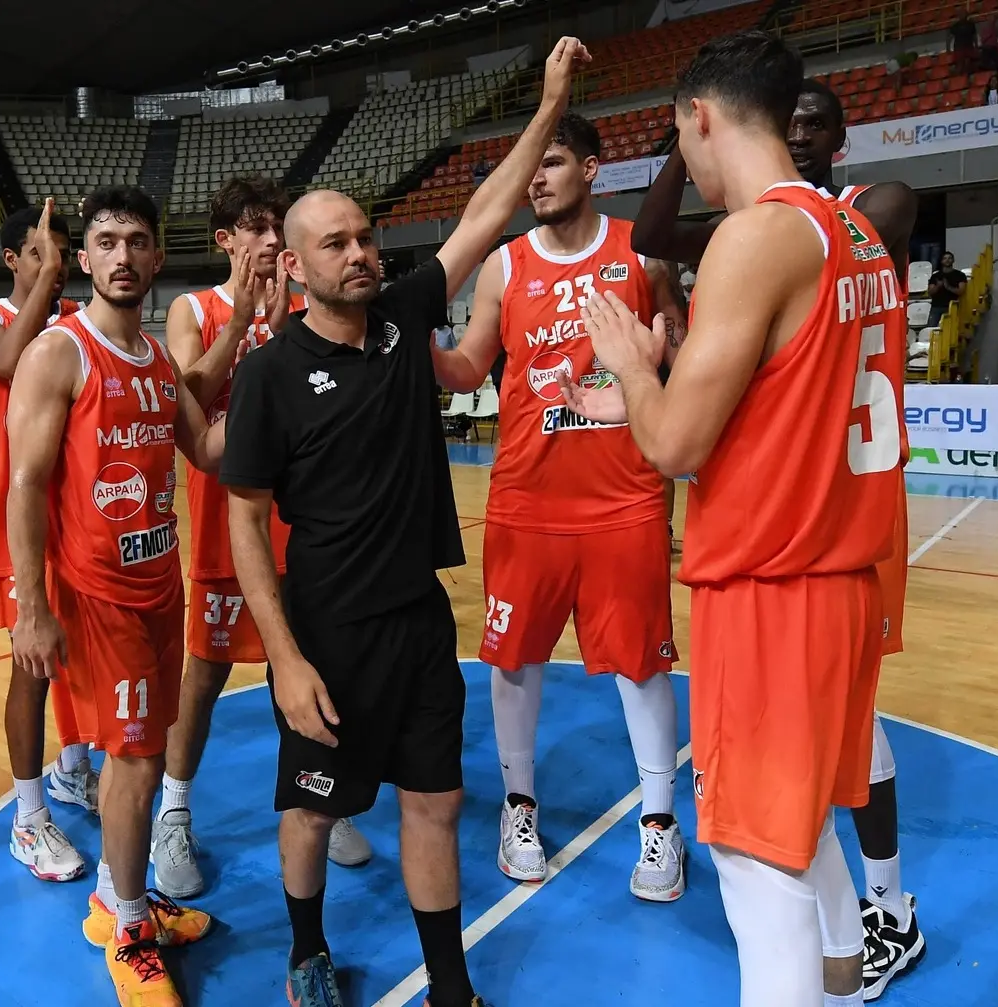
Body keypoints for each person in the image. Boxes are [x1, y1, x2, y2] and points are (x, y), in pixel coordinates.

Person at [220, 36, 590, 1007]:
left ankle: (450, 987)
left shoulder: (401, 317)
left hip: (419, 622)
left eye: (364, 238)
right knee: (312, 812)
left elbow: (487, 212)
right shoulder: (268, 376)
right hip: (325, 634)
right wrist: (283, 658)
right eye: (335, 244)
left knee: (435, 801)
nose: (359, 254)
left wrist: (548, 106)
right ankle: (307, 952)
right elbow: (245, 521)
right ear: (294, 266)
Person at [561, 31, 907, 1007]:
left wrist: (633, 368)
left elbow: (673, 444)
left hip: (771, 589)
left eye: (682, 139)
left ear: (700, 119)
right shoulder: (855, 233)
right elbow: (786, 401)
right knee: (804, 828)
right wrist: (654, 392)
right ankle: (843, 982)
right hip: (841, 579)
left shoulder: (754, 236)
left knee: (756, 867)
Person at [437, 109, 689, 902]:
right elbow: (470, 366)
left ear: (590, 167)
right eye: (529, 168)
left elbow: (680, 349)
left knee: (641, 664)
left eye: (550, 162)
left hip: (626, 498)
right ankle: (518, 806)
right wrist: (418, 347)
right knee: (514, 659)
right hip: (526, 501)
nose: (536, 179)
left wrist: (664, 361)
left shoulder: (640, 252)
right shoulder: (504, 266)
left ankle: (660, 821)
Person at [7, 183, 224, 1005]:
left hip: (160, 584)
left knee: (147, 749)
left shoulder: (158, 360)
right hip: (97, 595)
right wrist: (32, 607)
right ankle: (130, 927)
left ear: (157, 256)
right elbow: (24, 484)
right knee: (133, 760)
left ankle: (116, 894)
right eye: (106, 241)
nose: (122, 255)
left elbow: (207, 449)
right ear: (86, 258)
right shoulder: (59, 352)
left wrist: (288, 382)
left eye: (136, 241)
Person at [155, 175, 370, 898]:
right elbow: (187, 402)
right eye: (256, 226)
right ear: (226, 239)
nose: (272, 238)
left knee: (306, 666)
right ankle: (173, 812)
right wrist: (243, 324)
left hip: (300, 518)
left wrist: (280, 331)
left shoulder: (309, 303)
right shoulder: (193, 307)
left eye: (278, 225)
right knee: (205, 675)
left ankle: (325, 795)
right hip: (228, 519)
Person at [0, 200, 95, 881]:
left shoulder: (77, 322)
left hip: (82, 518)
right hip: (21, 523)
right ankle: (28, 818)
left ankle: (71, 767)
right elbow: (10, 360)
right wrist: (48, 282)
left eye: (64, 251)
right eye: (42, 251)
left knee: (81, 657)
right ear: (13, 259)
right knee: (31, 668)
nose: (57, 263)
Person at [926, 251, 966, 327]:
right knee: (931, 328)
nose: (947, 260)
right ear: (941, 261)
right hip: (936, 306)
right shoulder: (935, 276)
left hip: (952, 307)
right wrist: (938, 286)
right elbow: (930, 292)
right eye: (945, 258)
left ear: (953, 260)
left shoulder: (960, 275)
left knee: (951, 329)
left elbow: (961, 291)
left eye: (949, 258)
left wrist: (948, 287)